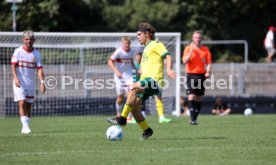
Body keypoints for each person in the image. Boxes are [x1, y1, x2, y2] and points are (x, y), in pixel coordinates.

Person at [108, 22, 177, 140]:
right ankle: (147, 130)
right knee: (135, 108)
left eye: (139, 34)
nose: (138, 37)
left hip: (154, 80)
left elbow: (168, 56)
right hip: (145, 80)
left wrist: (169, 68)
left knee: (133, 88)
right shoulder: (146, 48)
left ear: (147, 34)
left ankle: (122, 118)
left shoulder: (156, 44)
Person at [11, 30, 45, 134]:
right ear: (23, 40)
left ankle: (26, 125)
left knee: (29, 104)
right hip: (20, 81)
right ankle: (25, 127)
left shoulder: (37, 53)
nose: (28, 41)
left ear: (34, 40)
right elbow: (13, 65)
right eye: (26, 39)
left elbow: (39, 69)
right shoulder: (18, 51)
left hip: (30, 82)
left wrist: (42, 82)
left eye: (30, 39)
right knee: (22, 102)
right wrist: (16, 78)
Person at [129, 48, 172, 124]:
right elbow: (134, 76)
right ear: (135, 57)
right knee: (136, 100)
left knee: (158, 96)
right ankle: (132, 118)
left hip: (149, 83)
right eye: (137, 55)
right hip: (140, 85)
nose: (138, 57)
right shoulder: (134, 66)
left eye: (140, 55)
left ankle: (161, 117)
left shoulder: (145, 64)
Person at [182, 31, 212, 125]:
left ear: (201, 39)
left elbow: (209, 63)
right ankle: (192, 119)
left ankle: (194, 119)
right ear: (192, 39)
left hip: (201, 76)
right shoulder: (188, 48)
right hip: (191, 75)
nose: (197, 39)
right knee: (191, 96)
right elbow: (184, 61)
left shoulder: (205, 50)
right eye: (195, 38)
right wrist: (191, 51)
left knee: (198, 98)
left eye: (199, 38)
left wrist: (208, 72)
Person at [108, 36, 136, 117]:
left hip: (129, 76)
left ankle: (129, 116)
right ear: (122, 44)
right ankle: (119, 114)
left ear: (130, 44)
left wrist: (136, 71)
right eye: (125, 43)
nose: (127, 45)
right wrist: (116, 71)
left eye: (128, 43)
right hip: (119, 77)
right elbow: (110, 62)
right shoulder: (118, 52)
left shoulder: (132, 51)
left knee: (130, 95)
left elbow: (131, 61)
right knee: (120, 97)